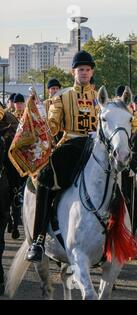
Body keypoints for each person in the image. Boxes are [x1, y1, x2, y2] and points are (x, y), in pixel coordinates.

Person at [26, 50, 99, 262]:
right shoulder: (62, 97)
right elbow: (52, 127)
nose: (84, 73)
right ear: (73, 72)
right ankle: (38, 238)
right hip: (71, 146)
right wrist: (41, 116)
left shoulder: (100, 97)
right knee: (45, 178)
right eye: (80, 70)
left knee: (122, 179)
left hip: (95, 147)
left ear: (92, 72)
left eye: (87, 70)